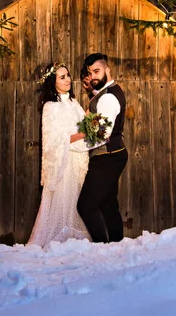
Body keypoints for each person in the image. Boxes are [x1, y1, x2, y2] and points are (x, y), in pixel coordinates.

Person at [27, 62, 90, 247]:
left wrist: (90, 122)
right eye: (62, 77)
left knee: (79, 200)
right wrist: (81, 134)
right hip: (63, 162)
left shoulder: (74, 103)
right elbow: (54, 139)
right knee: (63, 199)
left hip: (79, 160)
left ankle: (78, 239)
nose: (68, 79)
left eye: (68, 75)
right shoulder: (50, 106)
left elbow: (82, 125)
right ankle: (59, 238)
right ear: (53, 82)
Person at [75, 53, 128, 243]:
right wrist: (91, 93)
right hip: (114, 155)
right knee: (108, 203)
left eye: (97, 71)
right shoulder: (107, 92)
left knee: (86, 206)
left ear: (107, 69)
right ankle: (116, 244)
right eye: (90, 73)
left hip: (107, 157)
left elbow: (101, 135)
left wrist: (75, 144)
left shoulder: (108, 98)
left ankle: (102, 245)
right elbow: (100, 111)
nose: (94, 76)